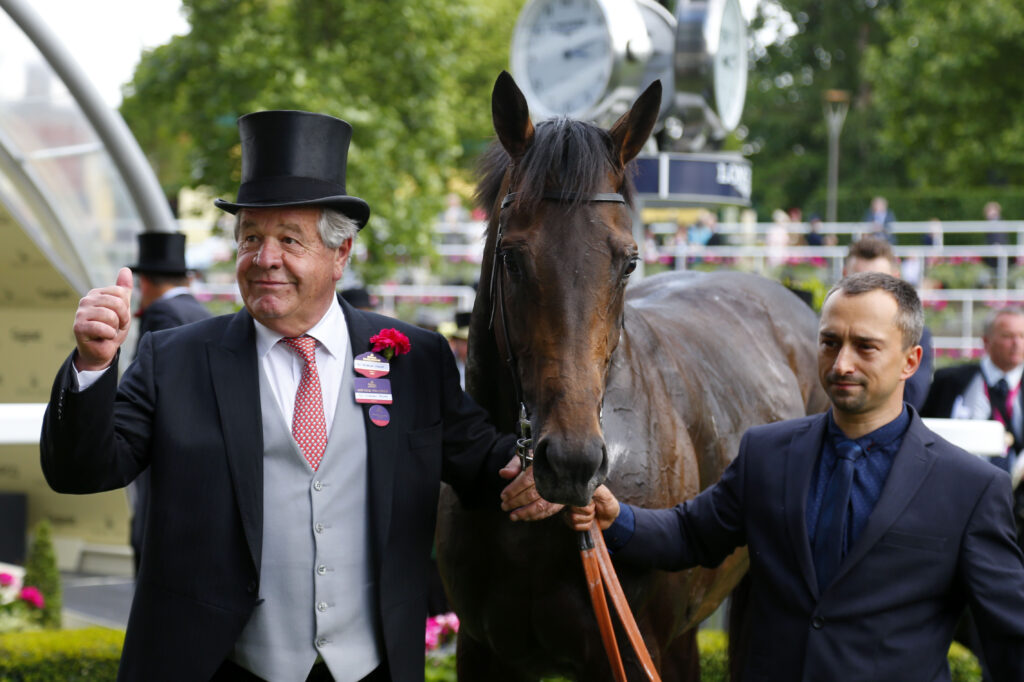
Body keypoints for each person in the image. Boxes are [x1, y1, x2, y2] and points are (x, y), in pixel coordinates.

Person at [40, 110, 552, 682]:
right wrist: (91, 364)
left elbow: (484, 462)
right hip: (216, 666)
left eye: (289, 239)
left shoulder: (413, 358)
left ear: (341, 255)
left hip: (370, 668)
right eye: (251, 239)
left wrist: (544, 472)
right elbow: (81, 471)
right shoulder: (174, 359)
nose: (265, 260)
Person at [571, 272, 1024, 680]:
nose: (841, 363)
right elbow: (692, 533)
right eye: (829, 342)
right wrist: (619, 518)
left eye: (865, 346)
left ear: (911, 360)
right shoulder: (766, 452)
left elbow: (1009, 634)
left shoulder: (970, 488)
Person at [125, 231, 212, 574]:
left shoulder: (161, 314)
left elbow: (142, 390)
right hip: (200, 451)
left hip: (164, 449)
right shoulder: (202, 312)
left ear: (144, 282)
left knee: (149, 540)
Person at [843, 235, 933, 411]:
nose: (867, 291)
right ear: (844, 275)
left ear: (896, 279)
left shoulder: (915, 334)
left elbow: (910, 400)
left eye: (878, 282)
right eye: (858, 282)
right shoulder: (819, 330)